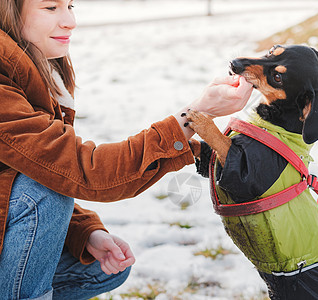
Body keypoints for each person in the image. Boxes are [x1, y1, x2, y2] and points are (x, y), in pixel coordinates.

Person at [0, 0, 253, 299]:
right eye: (50, 8)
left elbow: (38, 169)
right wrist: (194, 115)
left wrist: (86, 232)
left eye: (69, 5)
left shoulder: (38, 71)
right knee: (44, 192)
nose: (70, 21)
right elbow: (81, 170)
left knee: (98, 268)